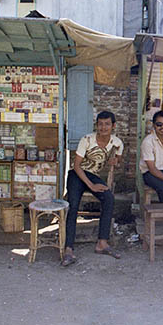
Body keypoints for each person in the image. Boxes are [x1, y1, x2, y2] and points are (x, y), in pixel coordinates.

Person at [62, 111, 124, 267]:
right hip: (77, 174)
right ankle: (68, 248)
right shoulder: (87, 140)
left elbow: (119, 160)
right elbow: (76, 165)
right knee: (73, 204)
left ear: (113, 126)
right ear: (97, 125)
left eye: (107, 124)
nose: (103, 127)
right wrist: (91, 186)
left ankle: (102, 243)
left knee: (109, 198)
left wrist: (114, 161)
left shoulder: (117, 143)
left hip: (93, 175)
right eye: (100, 124)